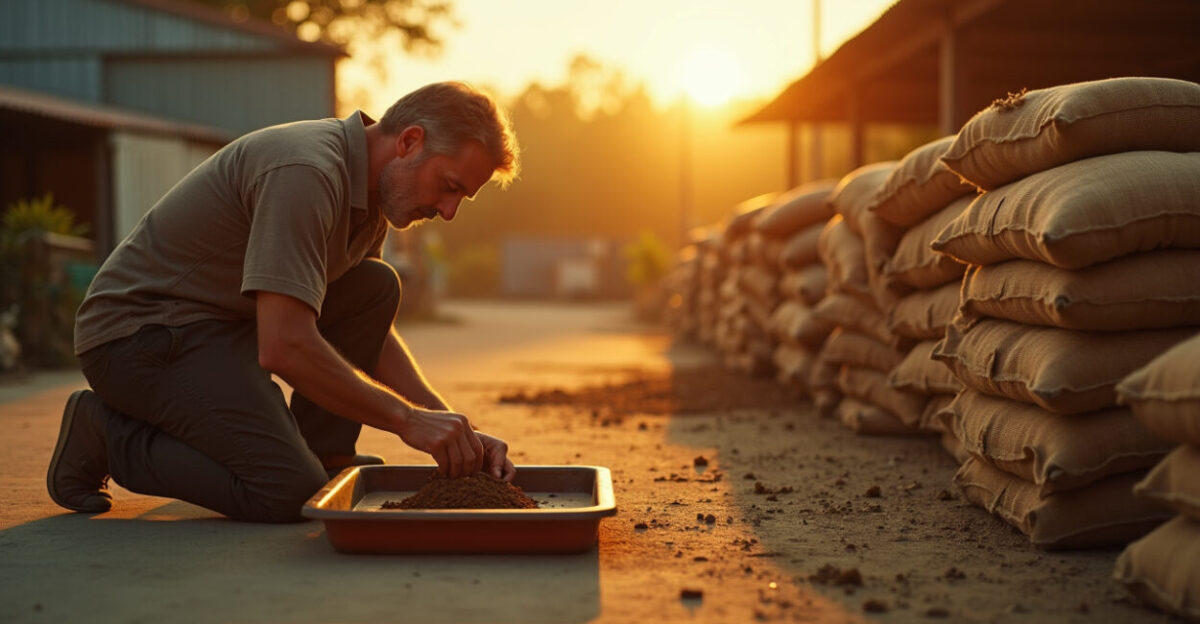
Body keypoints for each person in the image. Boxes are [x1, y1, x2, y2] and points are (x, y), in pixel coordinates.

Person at [46, 82, 520, 522]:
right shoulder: (308, 172)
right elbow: (284, 344)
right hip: (142, 338)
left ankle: (323, 453)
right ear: (410, 142)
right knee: (287, 490)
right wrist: (406, 420)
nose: (449, 211)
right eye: (451, 185)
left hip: (220, 327)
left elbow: (363, 328)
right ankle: (106, 436)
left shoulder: (374, 195)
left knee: (374, 285)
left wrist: (454, 427)